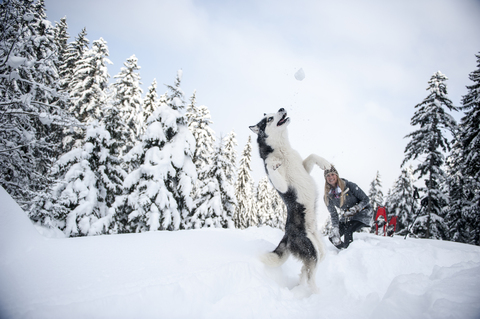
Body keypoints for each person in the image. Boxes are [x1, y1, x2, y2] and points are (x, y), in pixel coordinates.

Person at [324, 165, 372, 249]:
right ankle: (344, 250)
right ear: (325, 178)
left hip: (363, 212)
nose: (330, 177)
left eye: (332, 174)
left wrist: (357, 208)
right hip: (348, 216)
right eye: (328, 175)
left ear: (337, 175)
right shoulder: (328, 196)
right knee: (333, 236)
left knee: (348, 230)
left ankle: (350, 254)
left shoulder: (350, 186)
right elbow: (333, 214)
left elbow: (366, 199)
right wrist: (335, 227)